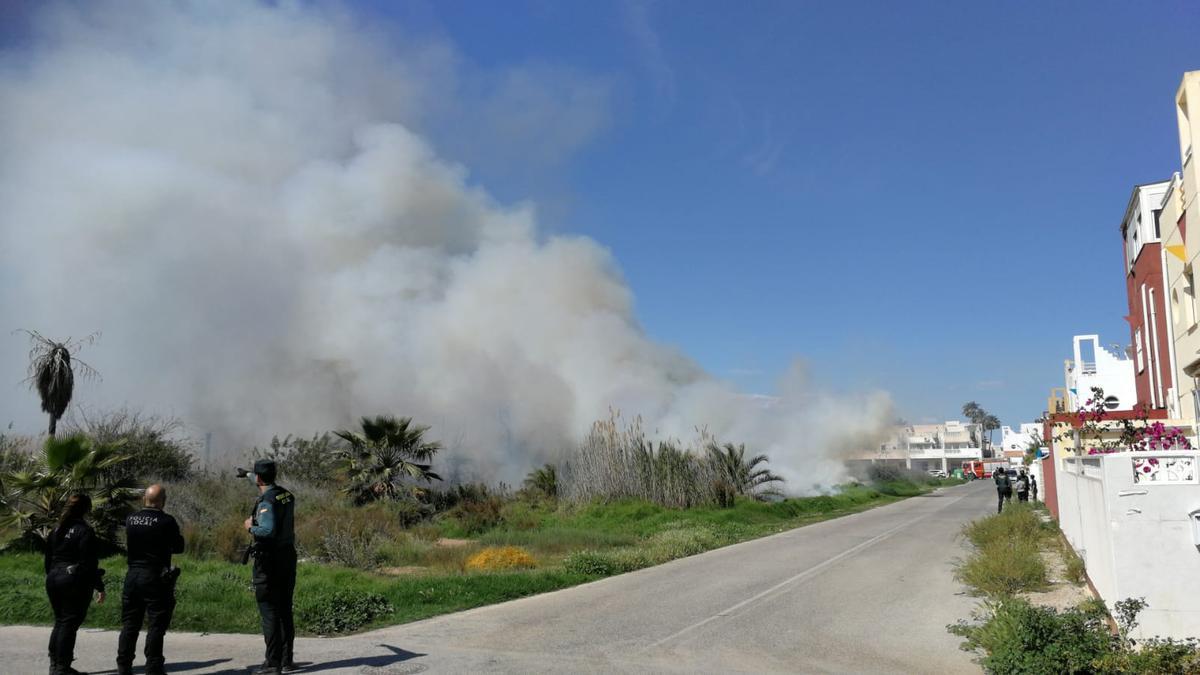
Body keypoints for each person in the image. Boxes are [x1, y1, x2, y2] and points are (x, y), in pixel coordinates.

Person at [116, 484, 185, 675]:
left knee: (130, 624)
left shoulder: (131, 519)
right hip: (155, 576)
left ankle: (124, 665)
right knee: (156, 623)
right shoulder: (166, 521)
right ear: (162, 500)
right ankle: (153, 666)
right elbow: (179, 546)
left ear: (144, 499)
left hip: (133, 575)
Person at [244, 459, 297, 674]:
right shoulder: (286, 495)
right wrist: (246, 473)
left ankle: (272, 662)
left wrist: (250, 527)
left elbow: (267, 530)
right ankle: (286, 660)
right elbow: (260, 480)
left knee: (269, 609)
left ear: (259, 478)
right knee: (285, 608)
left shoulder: (267, 501)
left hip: (270, 561)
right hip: (287, 557)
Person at [44, 493, 106, 675]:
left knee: (60, 621)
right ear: (87, 509)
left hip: (54, 577)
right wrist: (99, 586)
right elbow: (89, 564)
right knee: (69, 624)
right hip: (73, 580)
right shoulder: (84, 531)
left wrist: (53, 576)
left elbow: (48, 560)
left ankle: (55, 664)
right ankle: (62, 668)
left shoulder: (56, 529)